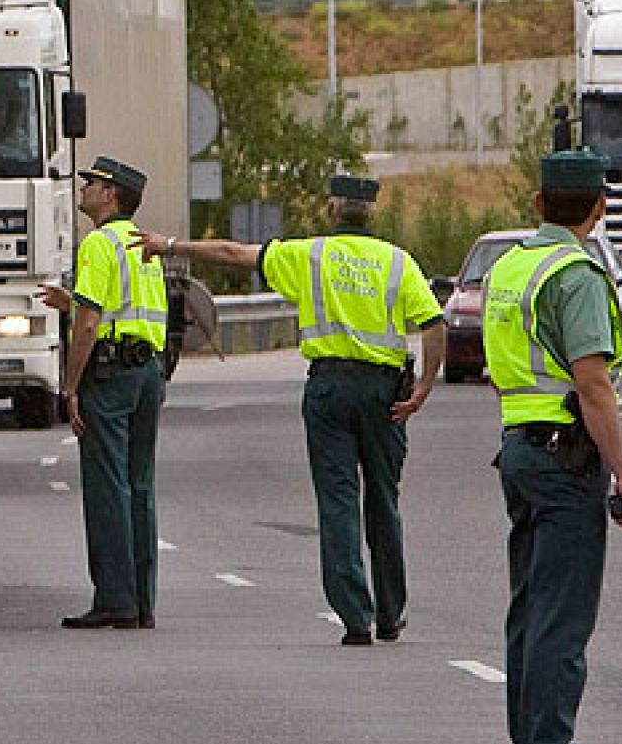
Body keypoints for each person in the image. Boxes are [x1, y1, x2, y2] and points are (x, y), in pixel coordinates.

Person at [134, 174, 445, 646]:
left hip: (329, 390)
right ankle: (390, 611)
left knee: (338, 499)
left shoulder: (310, 254)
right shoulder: (398, 262)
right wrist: (423, 386)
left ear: (332, 210)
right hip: (384, 393)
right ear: (372, 214)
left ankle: (355, 617)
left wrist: (171, 244)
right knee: (383, 500)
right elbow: (433, 323)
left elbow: (235, 254)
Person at [480, 148, 622, 744]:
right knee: (561, 618)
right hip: (564, 457)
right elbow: (593, 383)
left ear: (540, 203)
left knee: (530, 612)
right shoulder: (576, 274)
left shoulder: (511, 263)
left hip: (520, 447)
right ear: (600, 208)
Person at [37, 156, 168, 630]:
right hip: (146, 373)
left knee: (107, 486)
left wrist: (71, 387)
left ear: (109, 194)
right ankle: (141, 601)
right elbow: (122, 310)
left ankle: (115, 597)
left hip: (110, 377)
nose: (84, 188)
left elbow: (91, 323)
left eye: (91, 183)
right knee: (139, 486)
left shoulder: (98, 244)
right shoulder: (142, 244)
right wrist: (70, 301)